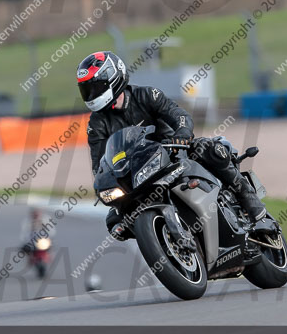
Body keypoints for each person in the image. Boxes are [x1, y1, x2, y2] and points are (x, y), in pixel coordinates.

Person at [76, 50, 267, 240]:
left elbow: (179, 115)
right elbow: (99, 163)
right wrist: (104, 182)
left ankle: (249, 201)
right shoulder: (96, 123)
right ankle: (161, 239)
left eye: (95, 87)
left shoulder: (146, 95)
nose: (91, 94)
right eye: (87, 89)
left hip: (174, 152)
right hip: (138, 172)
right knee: (115, 221)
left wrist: (181, 135)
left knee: (209, 149)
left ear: (113, 79)